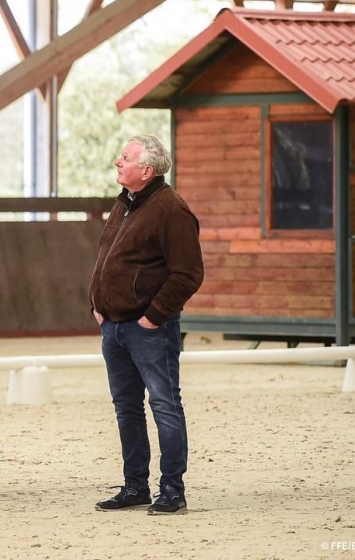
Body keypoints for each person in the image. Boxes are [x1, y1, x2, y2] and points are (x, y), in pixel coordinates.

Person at [88, 134, 204, 516]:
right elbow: (108, 257)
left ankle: (172, 490)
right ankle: (136, 486)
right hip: (115, 327)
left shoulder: (172, 210)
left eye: (125, 158)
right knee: (127, 408)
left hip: (149, 329)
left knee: (165, 405)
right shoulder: (125, 204)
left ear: (147, 169)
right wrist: (98, 302)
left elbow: (187, 274)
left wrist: (153, 317)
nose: (118, 162)